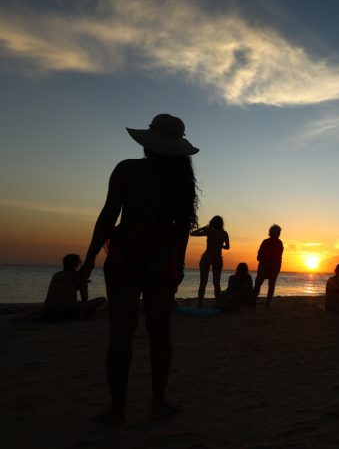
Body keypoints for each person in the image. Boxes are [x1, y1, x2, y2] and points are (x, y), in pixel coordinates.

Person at [79, 113, 199, 424]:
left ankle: (117, 409)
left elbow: (108, 215)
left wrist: (90, 257)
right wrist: (179, 262)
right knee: (160, 333)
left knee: (121, 334)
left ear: (148, 143)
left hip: (126, 255)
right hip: (162, 258)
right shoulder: (181, 179)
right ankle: (158, 403)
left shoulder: (127, 170)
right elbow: (182, 228)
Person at [42, 253, 107, 322]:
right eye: (79, 261)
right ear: (76, 264)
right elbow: (84, 298)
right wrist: (83, 284)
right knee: (102, 299)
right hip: (69, 311)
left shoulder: (56, 275)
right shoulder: (79, 276)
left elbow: (64, 288)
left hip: (48, 311)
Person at [191, 216, 230, 308]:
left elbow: (192, 233)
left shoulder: (209, 231)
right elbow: (228, 247)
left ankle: (200, 304)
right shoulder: (224, 233)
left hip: (207, 257)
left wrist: (204, 228)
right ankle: (217, 304)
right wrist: (220, 246)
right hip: (217, 258)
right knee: (216, 283)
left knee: (203, 282)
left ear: (212, 223)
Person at [253, 224, 284, 309]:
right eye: (278, 232)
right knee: (270, 284)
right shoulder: (278, 243)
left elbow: (259, 256)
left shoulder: (266, 242)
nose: (279, 234)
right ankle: (267, 304)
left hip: (266, 265)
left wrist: (264, 261)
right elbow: (278, 256)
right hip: (273, 266)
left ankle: (254, 302)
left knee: (258, 283)